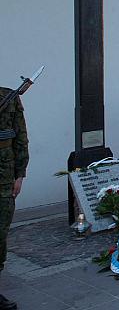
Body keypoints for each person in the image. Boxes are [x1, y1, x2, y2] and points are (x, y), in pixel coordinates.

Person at [0, 86, 29, 310]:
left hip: (4, 179)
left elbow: (20, 137)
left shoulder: (8, 96)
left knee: (0, 234)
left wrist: (19, 174)